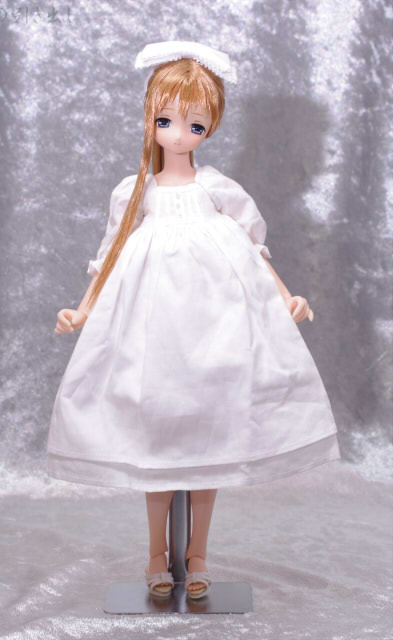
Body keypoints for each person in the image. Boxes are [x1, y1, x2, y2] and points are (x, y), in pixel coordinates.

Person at [47, 41, 341, 599]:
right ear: (150, 120)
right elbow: (109, 254)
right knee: (157, 449)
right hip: (151, 333)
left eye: (195, 125)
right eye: (166, 121)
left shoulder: (217, 188)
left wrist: (286, 297)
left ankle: (197, 553)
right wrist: (83, 309)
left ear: (209, 128)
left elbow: (253, 250)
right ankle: (156, 555)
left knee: (209, 448)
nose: (179, 134)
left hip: (213, 328)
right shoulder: (135, 191)